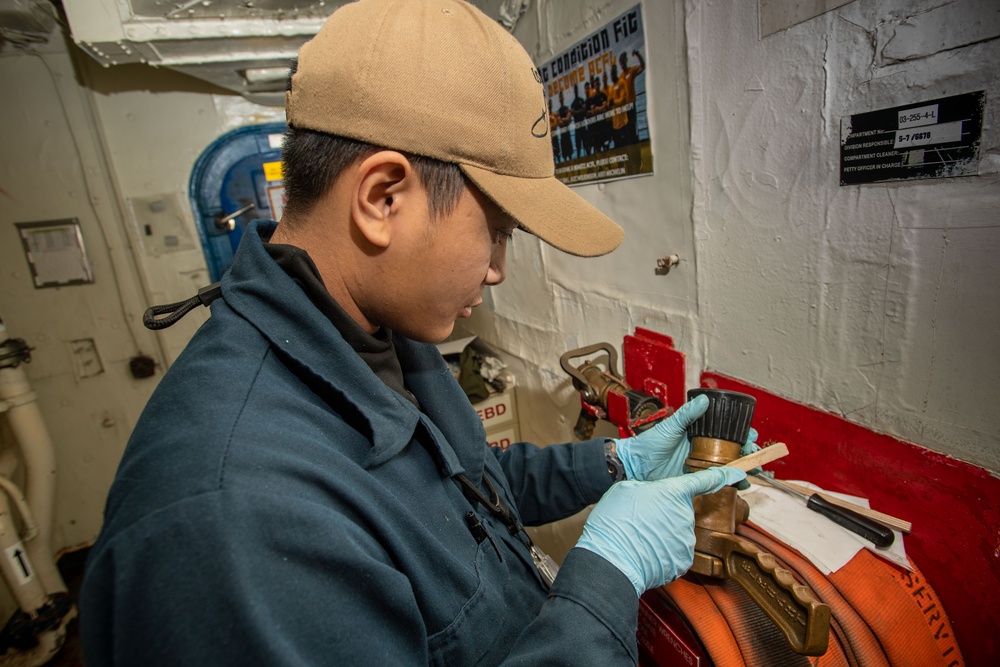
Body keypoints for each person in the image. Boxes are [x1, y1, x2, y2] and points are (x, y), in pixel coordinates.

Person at [80, 1, 751, 665]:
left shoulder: (375, 334)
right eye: (496, 232)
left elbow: (461, 488)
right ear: (382, 198)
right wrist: (607, 575)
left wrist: (613, 464)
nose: (496, 269)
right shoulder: (229, 524)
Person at [617, 49, 647, 145]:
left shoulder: (631, 71)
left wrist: (638, 55)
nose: (622, 65)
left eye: (623, 62)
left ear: (626, 61)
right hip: (624, 109)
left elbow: (643, 67)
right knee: (627, 132)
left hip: (631, 106)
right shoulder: (620, 77)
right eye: (620, 63)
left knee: (634, 130)